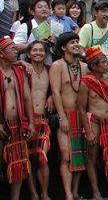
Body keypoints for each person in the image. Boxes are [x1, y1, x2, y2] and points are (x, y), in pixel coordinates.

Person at [78, 46, 108, 200]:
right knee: (92, 158)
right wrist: (88, 131)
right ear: (94, 66)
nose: (107, 64)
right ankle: (96, 193)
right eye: (103, 62)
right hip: (95, 122)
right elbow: (81, 109)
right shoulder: (86, 82)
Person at [50, 33, 88, 200]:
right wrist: (61, 117)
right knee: (66, 156)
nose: (76, 44)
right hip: (65, 114)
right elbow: (56, 92)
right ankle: (67, 195)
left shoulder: (85, 67)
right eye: (72, 42)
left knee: (79, 155)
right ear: (63, 47)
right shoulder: (57, 66)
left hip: (81, 116)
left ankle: (75, 192)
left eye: (77, 42)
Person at [0, 37, 35, 200]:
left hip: (18, 124)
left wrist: (31, 123)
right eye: (12, 49)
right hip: (1, 124)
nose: (16, 51)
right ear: (1, 53)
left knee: (19, 163)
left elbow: (27, 98)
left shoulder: (18, 72)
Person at [26, 40, 53, 200]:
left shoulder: (50, 70)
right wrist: (21, 61)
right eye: (34, 50)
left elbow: (56, 90)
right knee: (28, 158)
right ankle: (33, 194)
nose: (38, 53)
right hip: (27, 120)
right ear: (29, 53)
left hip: (43, 119)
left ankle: (45, 194)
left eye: (41, 50)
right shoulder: (23, 70)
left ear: (46, 53)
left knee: (42, 158)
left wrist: (51, 97)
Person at [79, 0, 108, 70]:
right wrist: (87, 58)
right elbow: (80, 47)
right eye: (103, 11)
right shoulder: (87, 28)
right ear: (96, 13)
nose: (107, 14)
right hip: (91, 68)